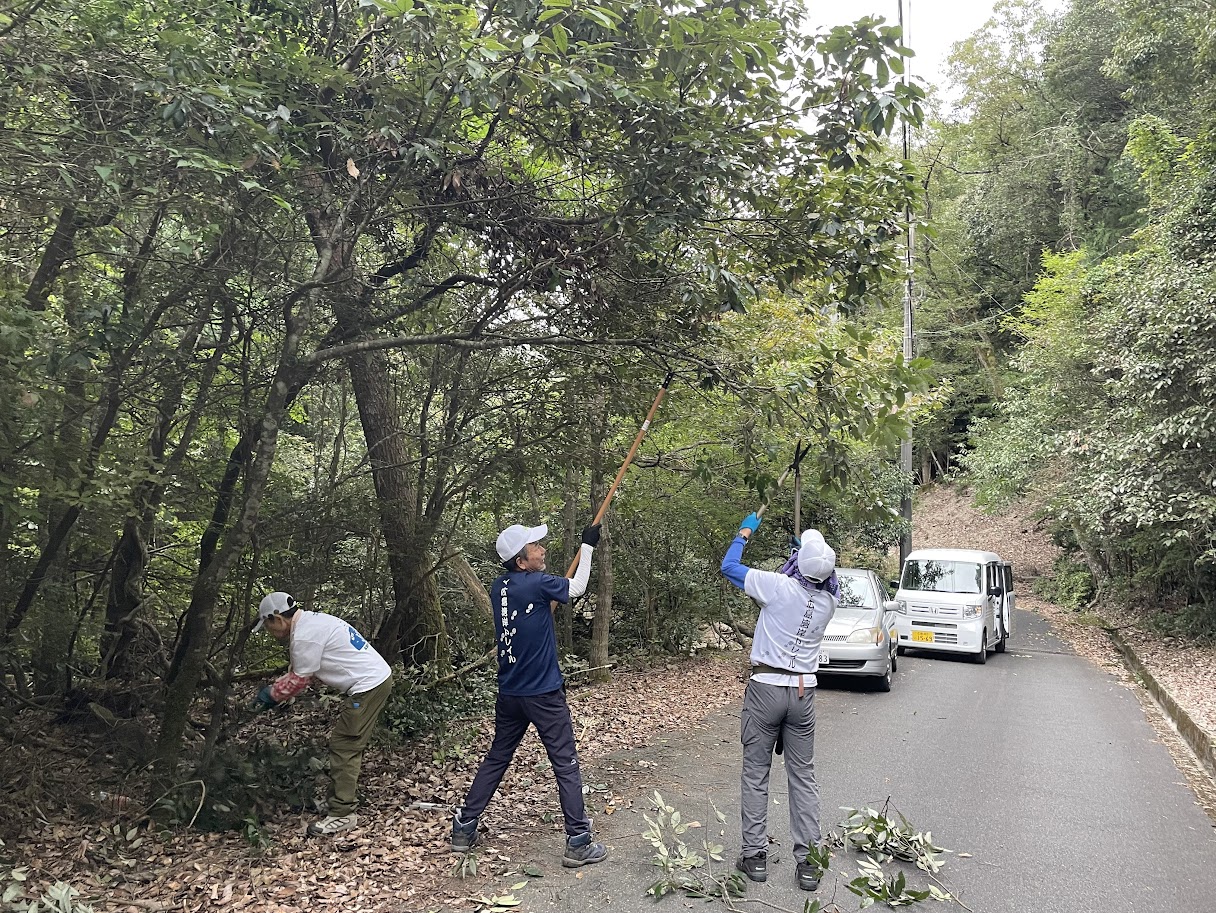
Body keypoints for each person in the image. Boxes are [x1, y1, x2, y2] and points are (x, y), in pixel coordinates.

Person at [450, 522, 608, 868]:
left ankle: (463, 826)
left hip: (510, 693)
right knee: (565, 761)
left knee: (497, 757)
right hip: (543, 694)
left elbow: (527, 614)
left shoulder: (499, 587)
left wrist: (543, 606)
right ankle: (578, 840)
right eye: (536, 546)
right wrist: (587, 546)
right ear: (522, 561)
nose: (543, 549)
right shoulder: (537, 583)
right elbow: (578, 588)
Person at [720, 513, 840, 891]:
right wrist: (801, 554)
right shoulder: (829, 601)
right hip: (803, 693)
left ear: (795, 563)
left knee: (756, 775)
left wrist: (744, 531)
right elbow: (813, 579)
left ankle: (754, 857)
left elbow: (729, 566)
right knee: (803, 777)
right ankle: (808, 862)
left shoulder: (775, 586)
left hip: (766, 688)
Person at [249, 592, 393, 837]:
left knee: (345, 745)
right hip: (374, 679)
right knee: (345, 743)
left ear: (277, 618)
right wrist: (276, 689)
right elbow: (299, 671)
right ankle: (340, 799)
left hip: (367, 686)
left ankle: (343, 813)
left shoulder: (305, 636)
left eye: (268, 626)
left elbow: (299, 681)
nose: (270, 633)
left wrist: (269, 696)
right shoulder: (311, 622)